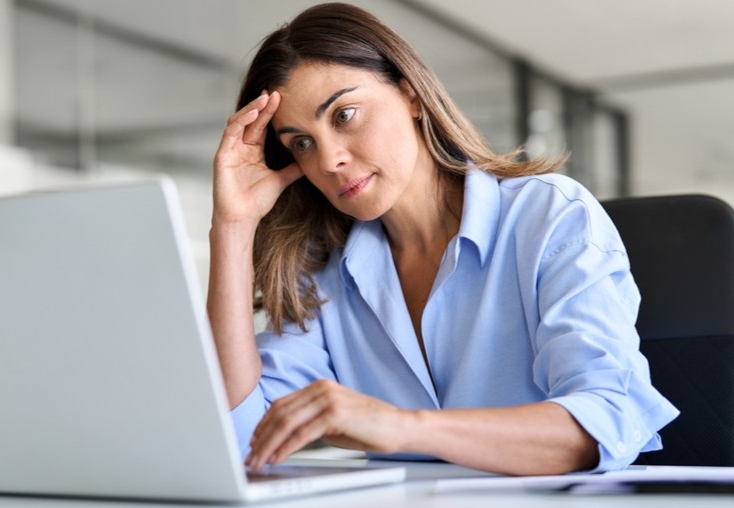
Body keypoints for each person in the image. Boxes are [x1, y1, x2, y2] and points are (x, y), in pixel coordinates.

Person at [207, 2, 677, 476]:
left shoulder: (548, 216)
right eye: (301, 143)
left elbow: (607, 420)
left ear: (411, 94)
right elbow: (240, 436)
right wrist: (232, 225)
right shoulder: (323, 269)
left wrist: (404, 427)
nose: (328, 160)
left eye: (344, 115)